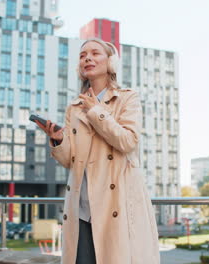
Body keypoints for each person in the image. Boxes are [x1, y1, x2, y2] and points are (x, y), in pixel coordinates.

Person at [34, 38, 160, 264]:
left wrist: (97, 112)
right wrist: (58, 140)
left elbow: (128, 141)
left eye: (95, 53)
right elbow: (72, 161)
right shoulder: (74, 108)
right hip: (82, 207)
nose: (87, 58)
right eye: (83, 56)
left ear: (110, 62)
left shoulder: (127, 98)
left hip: (116, 204)